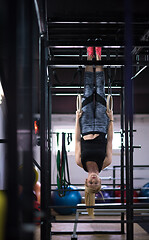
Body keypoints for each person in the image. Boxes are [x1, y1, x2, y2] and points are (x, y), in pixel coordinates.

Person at [75, 46, 113, 217]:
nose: (93, 180)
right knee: (101, 87)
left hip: (86, 124)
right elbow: (110, 140)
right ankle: (99, 54)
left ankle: (90, 55)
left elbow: (76, 141)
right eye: (96, 182)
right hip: (101, 123)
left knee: (89, 88)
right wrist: (111, 118)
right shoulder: (106, 162)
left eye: (90, 182)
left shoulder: (79, 162)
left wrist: (77, 119)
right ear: (100, 181)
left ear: (86, 181)